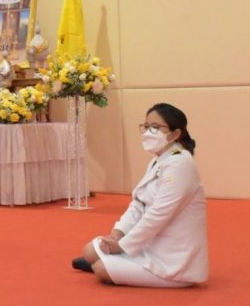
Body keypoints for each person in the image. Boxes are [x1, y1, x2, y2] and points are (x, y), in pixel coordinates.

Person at [73, 103, 209, 287]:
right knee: (89, 251)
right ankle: (118, 264)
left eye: (155, 127)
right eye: (146, 126)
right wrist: (117, 233)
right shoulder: (158, 159)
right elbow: (138, 203)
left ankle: (114, 266)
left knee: (100, 269)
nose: (147, 132)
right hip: (148, 244)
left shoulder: (181, 164)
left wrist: (122, 245)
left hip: (171, 258)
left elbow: (158, 215)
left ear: (175, 134)